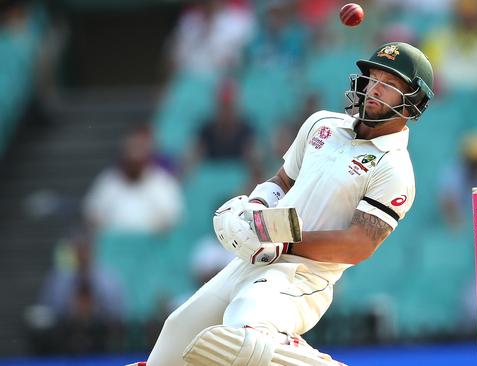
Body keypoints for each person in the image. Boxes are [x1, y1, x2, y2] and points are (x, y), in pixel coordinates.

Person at [143, 42, 434, 366]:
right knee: (174, 338)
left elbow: (358, 245)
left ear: (413, 102)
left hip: (303, 275)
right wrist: (254, 208)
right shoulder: (322, 124)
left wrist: (282, 242)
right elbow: (283, 181)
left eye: (390, 85)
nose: (375, 90)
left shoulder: (394, 167)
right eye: (375, 78)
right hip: (251, 261)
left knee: (246, 328)